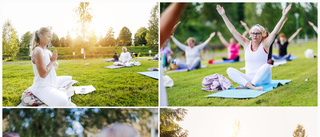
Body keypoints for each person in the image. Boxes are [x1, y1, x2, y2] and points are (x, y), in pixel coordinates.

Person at [217, 4, 292, 91]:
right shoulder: (246, 44)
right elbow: (233, 31)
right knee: (229, 70)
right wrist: (223, 15)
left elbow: (275, 32)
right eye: (253, 33)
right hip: (249, 79)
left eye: (257, 33)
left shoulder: (265, 44)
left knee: (267, 66)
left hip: (263, 80)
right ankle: (251, 86)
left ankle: (250, 86)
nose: (255, 35)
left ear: (261, 35)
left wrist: (283, 16)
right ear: (250, 35)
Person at [29, 27, 70, 106]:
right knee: (63, 102)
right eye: (48, 36)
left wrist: (54, 59)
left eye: (51, 37)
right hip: (42, 86)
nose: (50, 39)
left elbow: (56, 66)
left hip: (52, 83)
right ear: (41, 36)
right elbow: (43, 74)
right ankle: (60, 91)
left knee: (69, 78)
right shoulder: (38, 51)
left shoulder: (47, 51)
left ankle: (58, 90)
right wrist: (51, 61)